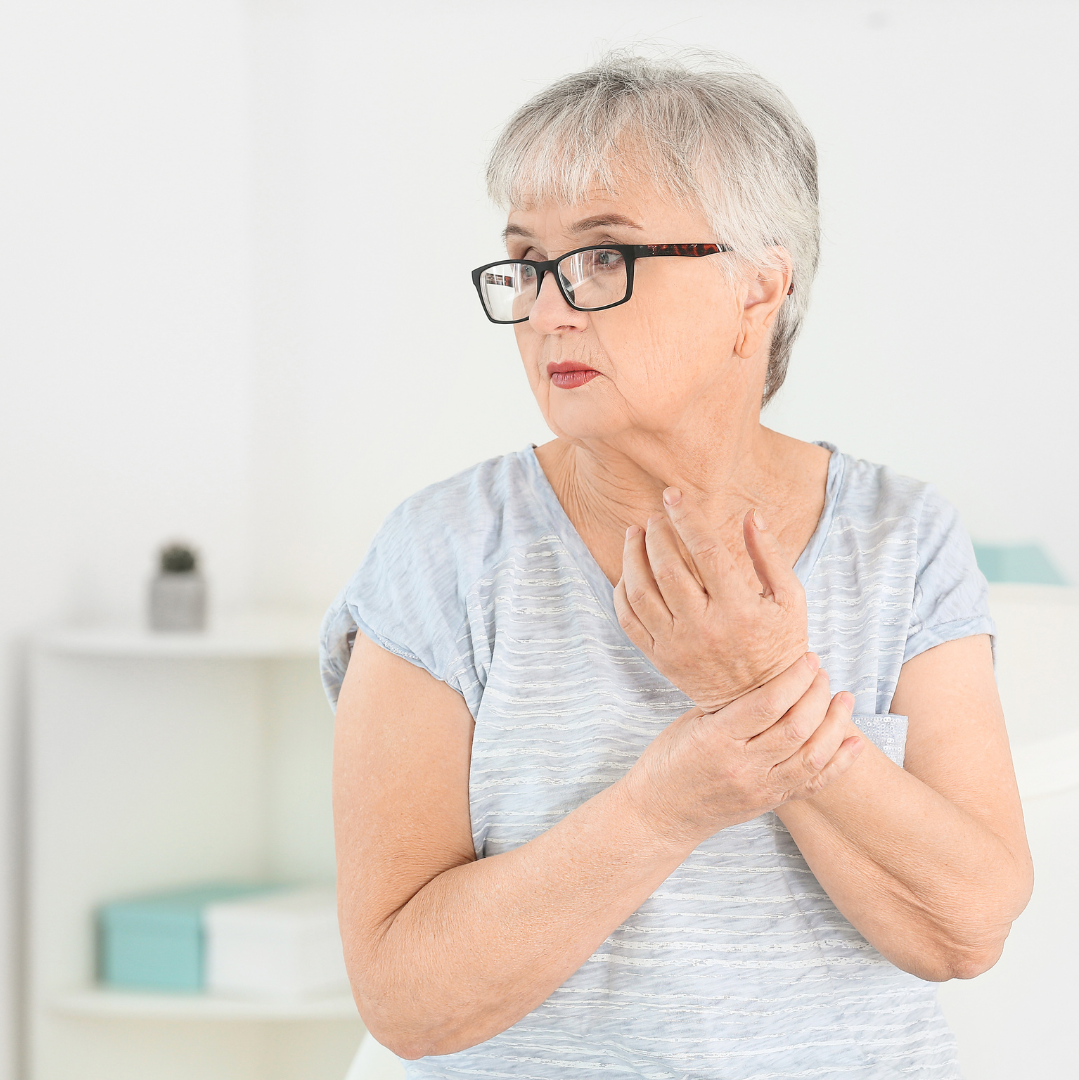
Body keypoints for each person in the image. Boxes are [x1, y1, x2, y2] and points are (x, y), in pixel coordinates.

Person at [321, 51, 1032, 1080]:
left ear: (757, 285)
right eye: (528, 261)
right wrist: (672, 800)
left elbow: (964, 929)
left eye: (604, 258)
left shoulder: (902, 538)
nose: (549, 309)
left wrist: (757, 685)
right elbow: (407, 1001)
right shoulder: (443, 553)